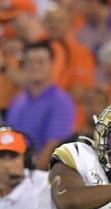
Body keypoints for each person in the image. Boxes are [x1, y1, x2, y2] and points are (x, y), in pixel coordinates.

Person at [6, 40, 75, 169]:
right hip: (16, 171)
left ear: (51, 65)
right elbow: (10, 140)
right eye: (30, 62)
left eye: (41, 62)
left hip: (44, 175)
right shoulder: (17, 102)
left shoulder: (61, 101)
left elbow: (54, 147)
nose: (35, 66)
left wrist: (29, 175)